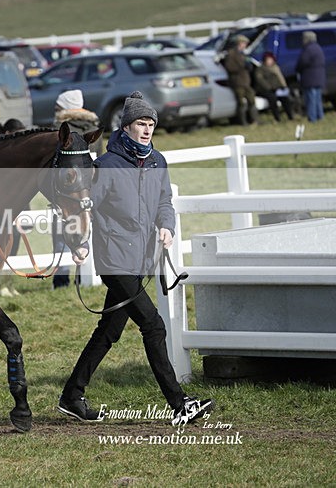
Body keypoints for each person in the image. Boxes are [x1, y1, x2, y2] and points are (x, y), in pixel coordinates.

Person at [57, 91, 213, 427]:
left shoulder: (157, 161)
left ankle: (72, 395)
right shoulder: (106, 166)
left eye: (151, 124)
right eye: (141, 123)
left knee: (109, 332)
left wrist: (166, 226)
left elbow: (164, 202)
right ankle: (179, 403)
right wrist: (78, 243)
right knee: (153, 325)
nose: (147, 130)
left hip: (142, 258)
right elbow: (81, 207)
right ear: (126, 127)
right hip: (115, 261)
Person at [51, 90, 100, 289]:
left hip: (66, 191)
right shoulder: (93, 129)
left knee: (60, 232)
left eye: (58, 106)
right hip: (88, 190)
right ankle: (82, 276)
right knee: (86, 231)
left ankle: (61, 279)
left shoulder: (59, 130)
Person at [0, 118, 28, 298]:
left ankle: (9, 282)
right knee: (2, 249)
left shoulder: (19, 154)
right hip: (2, 210)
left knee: (13, 249)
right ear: (7, 134)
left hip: (18, 208)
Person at [222, 35, 258, 126]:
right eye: (244, 43)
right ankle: (243, 122)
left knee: (252, 100)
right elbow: (229, 67)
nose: (245, 45)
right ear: (239, 43)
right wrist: (242, 66)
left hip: (246, 81)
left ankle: (254, 120)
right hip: (237, 82)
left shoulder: (243, 54)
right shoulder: (231, 54)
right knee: (241, 103)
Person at [254, 52, 295, 122]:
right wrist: (269, 88)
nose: (269, 61)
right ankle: (277, 118)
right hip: (266, 90)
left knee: (285, 99)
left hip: (277, 89)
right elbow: (260, 80)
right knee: (273, 99)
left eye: (270, 59)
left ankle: (290, 116)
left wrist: (283, 86)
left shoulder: (276, 67)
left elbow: (280, 78)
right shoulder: (260, 69)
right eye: (268, 59)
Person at [295, 30, 326, 123]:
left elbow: (303, 62)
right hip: (319, 77)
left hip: (310, 78)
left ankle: (312, 118)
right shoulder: (318, 48)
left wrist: (297, 69)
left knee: (311, 100)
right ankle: (320, 116)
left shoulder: (308, 49)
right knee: (318, 99)